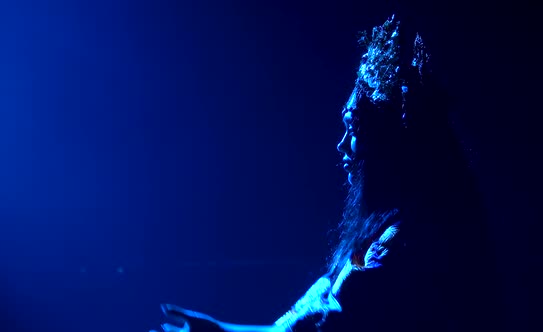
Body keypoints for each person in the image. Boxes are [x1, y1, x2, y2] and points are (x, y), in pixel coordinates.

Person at [154, 15, 501, 332]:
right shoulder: (381, 232)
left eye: (353, 129)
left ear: (386, 141)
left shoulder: (400, 243)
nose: (341, 145)